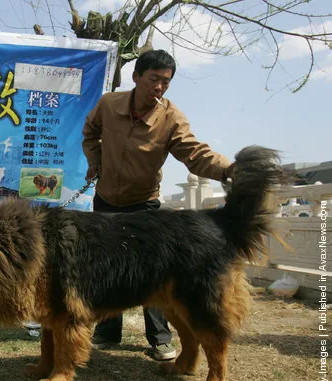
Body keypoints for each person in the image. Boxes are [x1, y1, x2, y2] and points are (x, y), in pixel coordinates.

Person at [81, 49, 234, 361]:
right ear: (136, 77)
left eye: (166, 82)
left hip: (144, 206)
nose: (160, 87)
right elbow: (90, 132)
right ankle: (107, 332)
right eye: (154, 79)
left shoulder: (171, 118)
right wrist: (95, 161)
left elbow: (195, 154)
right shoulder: (109, 105)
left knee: (153, 274)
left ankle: (160, 339)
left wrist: (229, 170)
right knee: (107, 270)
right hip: (107, 202)